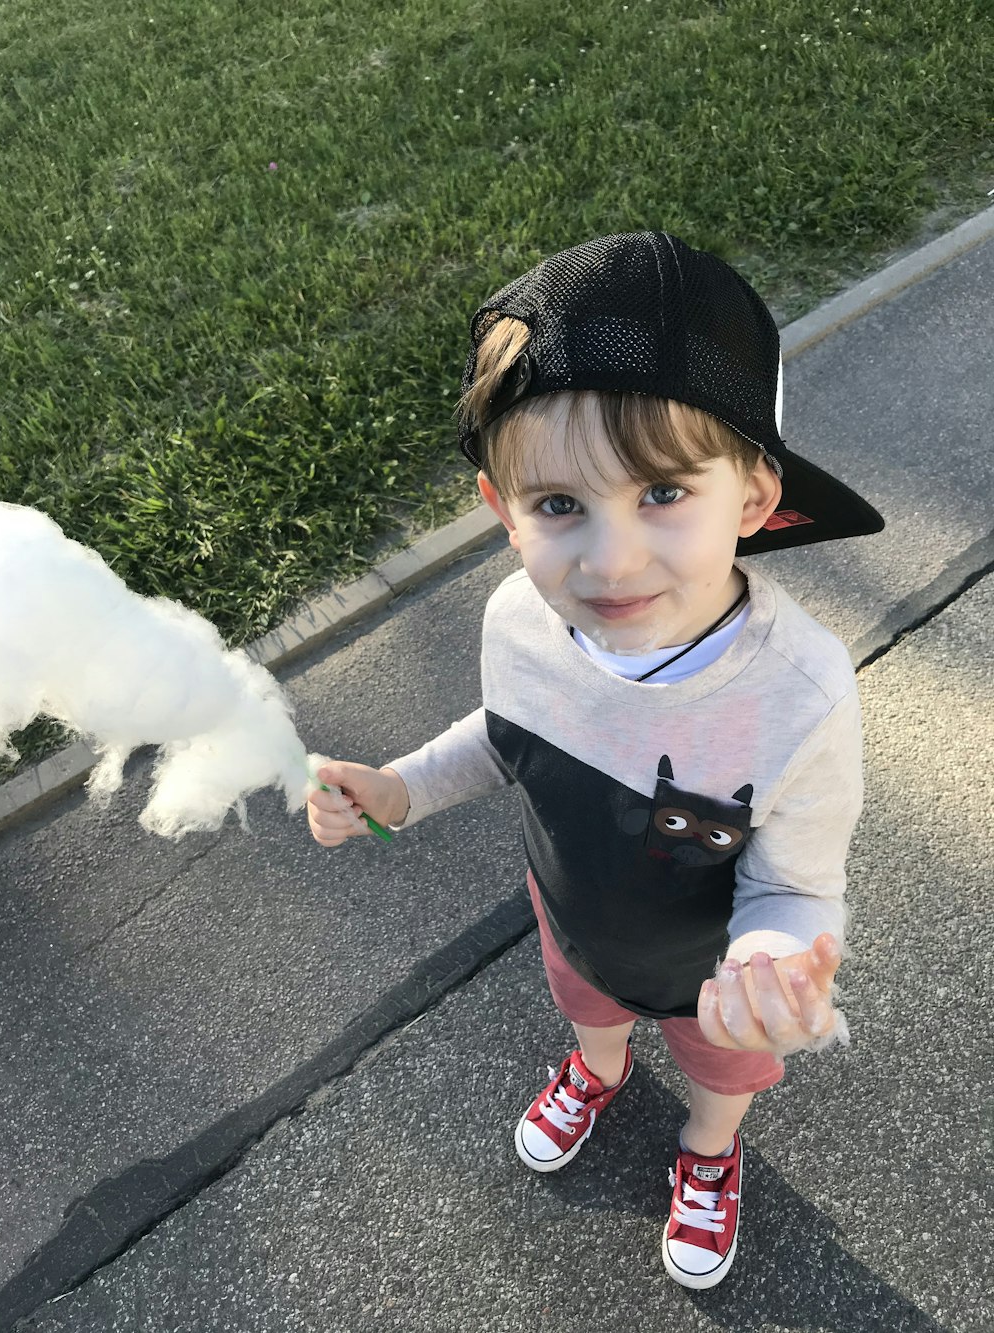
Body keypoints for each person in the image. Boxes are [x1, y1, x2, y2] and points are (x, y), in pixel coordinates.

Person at [306, 232, 884, 1290]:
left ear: (754, 499)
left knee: (718, 1075)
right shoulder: (519, 618)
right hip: (575, 915)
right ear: (501, 510)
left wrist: (774, 962)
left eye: (663, 492)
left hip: (710, 972)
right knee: (588, 1007)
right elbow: (505, 736)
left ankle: (709, 1153)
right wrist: (399, 787)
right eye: (559, 505)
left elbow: (796, 881)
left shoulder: (796, 693)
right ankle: (597, 1067)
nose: (610, 559)